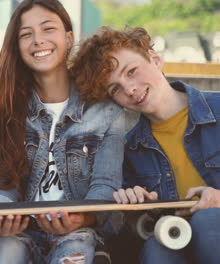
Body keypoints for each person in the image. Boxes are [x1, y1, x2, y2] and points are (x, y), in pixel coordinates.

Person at [0, 0, 127, 263]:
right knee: (4, 253)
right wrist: (0, 213)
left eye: (48, 29)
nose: (37, 41)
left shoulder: (106, 112)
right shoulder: (7, 107)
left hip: (79, 231)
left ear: (68, 39)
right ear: (17, 46)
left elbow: (105, 186)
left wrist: (82, 217)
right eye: (26, 34)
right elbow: (2, 181)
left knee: (75, 252)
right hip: (20, 232)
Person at [71, 26, 220, 264]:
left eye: (131, 71)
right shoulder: (130, 149)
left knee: (208, 221)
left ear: (155, 59)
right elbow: (143, 229)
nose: (130, 90)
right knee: (157, 247)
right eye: (115, 89)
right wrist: (136, 212)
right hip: (179, 242)